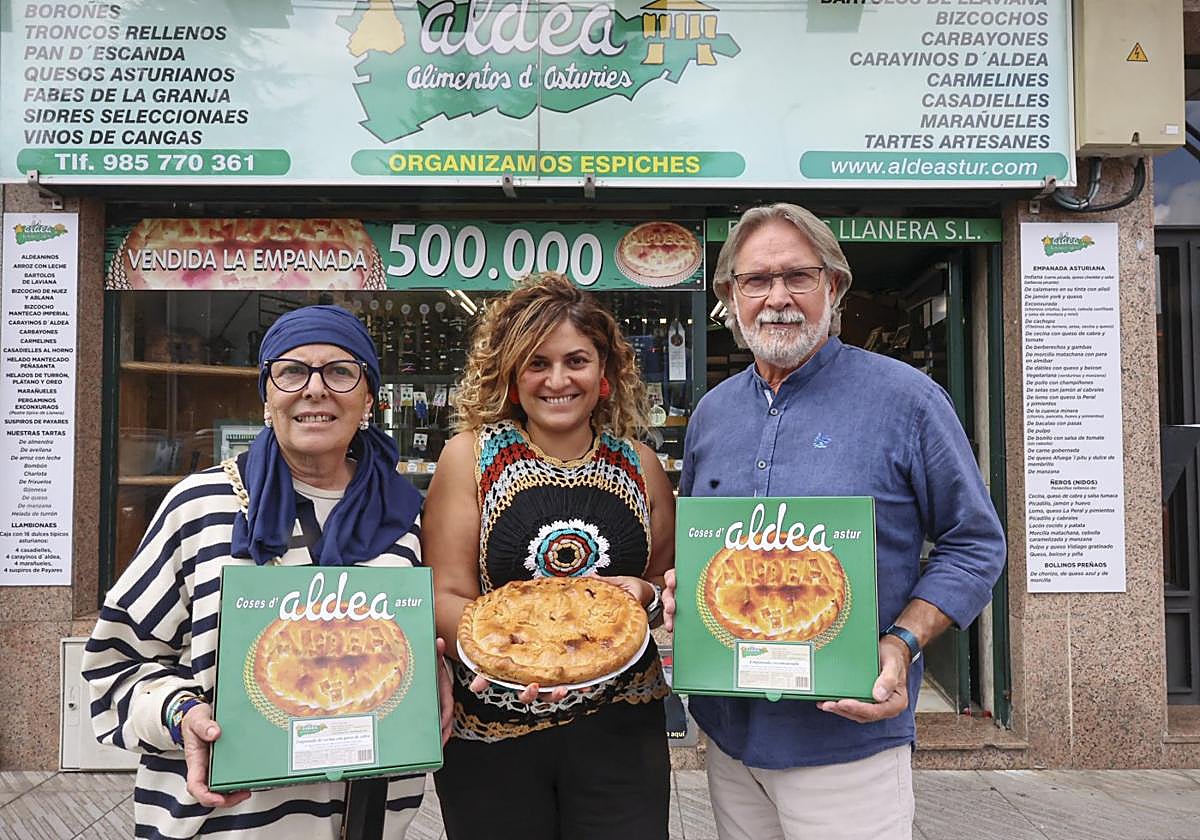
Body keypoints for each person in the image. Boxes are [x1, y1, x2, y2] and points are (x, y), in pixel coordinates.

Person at [664, 203, 1006, 840]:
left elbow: (975, 542)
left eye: (799, 276)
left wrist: (900, 644)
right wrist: (685, 592)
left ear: (834, 287)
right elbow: (711, 552)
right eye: (756, 280)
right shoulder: (712, 414)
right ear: (730, 298)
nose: (777, 298)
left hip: (848, 744)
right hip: (729, 739)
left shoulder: (908, 400)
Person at [83, 304, 453, 840]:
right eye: (292, 371)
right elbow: (113, 668)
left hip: (368, 822)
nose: (315, 389)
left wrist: (430, 675)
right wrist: (179, 714)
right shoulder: (200, 508)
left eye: (341, 371)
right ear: (266, 395)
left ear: (369, 397)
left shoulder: (404, 517)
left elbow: (416, 647)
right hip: (226, 823)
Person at [423, 272, 676, 840]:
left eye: (577, 361)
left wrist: (647, 595)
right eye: (537, 363)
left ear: (605, 374)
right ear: (512, 377)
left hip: (622, 726)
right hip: (493, 729)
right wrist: (525, 656)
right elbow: (443, 592)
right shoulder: (469, 458)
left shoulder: (641, 465)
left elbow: (661, 581)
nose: (557, 380)